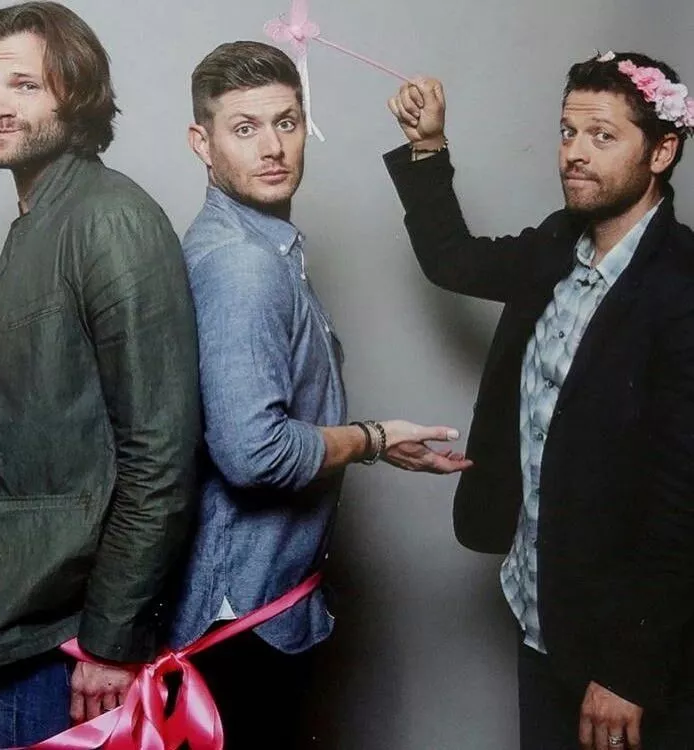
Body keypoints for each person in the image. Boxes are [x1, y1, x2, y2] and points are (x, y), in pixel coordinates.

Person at [168, 40, 473, 749]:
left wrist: (375, 443)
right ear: (201, 143)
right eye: (245, 128)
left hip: (263, 604)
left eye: (287, 122)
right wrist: (370, 439)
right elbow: (254, 454)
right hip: (240, 620)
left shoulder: (262, 245)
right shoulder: (243, 265)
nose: (273, 147)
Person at [385, 52, 694, 750]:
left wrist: (629, 672)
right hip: (539, 611)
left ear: (661, 152)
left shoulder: (680, 290)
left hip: (625, 652)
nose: (574, 153)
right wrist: (428, 146)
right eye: (567, 132)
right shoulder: (559, 244)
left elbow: (682, 506)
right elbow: (454, 260)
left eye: (602, 136)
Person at [0, 3, 200, 746]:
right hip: (21, 621)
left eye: (24, 84)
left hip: (71, 640)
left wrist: (111, 641)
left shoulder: (109, 219)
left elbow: (161, 451)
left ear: (75, 92)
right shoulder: (42, 219)